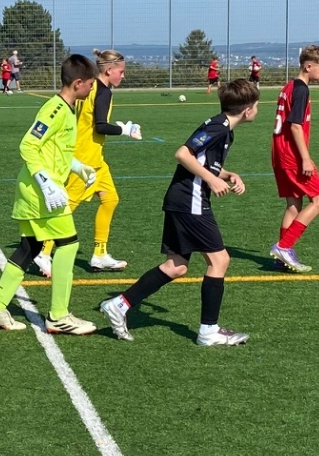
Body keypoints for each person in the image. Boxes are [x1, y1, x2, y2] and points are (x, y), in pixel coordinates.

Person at [100, 77, 260, 348]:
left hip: (182, 199)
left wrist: (227, 174)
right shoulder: (218, 128)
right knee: (220, 261)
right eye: (256, 105)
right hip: (190, 201)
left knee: (176, 267)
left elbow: (204, 161)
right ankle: (208, 331)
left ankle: (119, 304)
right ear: (247, 110)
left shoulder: (222, 128)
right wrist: (212, 180)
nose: (257, 110)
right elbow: (183, 154)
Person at [0, 54, 99, 335]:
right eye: (90, 84)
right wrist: (46, 183)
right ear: (78, 83)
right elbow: (28, 145)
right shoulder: (55, 109)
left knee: (30, 248)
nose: (92, 88)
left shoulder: (67, 108)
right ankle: (59, 315)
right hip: (42, 193)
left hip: (35, 190)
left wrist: (77, 167)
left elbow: (54, 150)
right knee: (68, 245)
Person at [67, 49, 141, 271]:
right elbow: (100, 126)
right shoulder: (103, 91)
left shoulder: (88, 87)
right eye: (121, 72)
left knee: (110, 199)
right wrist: (125, 130)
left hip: (93, 156)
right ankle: (42, 251)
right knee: (68, 205)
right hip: (86, 157)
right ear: (109, 70)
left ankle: (100, 254)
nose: (123, 76)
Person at [270, 45, 319, 274]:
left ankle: (281, 258)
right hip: (292, 156)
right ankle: (284, 246)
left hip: (279, 153)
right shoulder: (301, 89)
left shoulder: (288, 87)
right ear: (308, 66)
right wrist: (305, 158)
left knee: (293, 205)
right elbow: (295, 126)